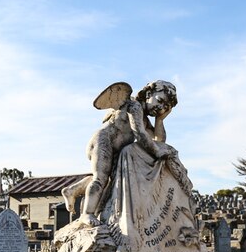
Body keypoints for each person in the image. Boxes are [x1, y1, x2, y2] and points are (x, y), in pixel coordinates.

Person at [62, 80, 178, 225]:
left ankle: (72, 190)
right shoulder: (134, 106)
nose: (160, 107)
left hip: (115, 150)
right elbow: (140, 134)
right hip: (104, 142)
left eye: (165, 107)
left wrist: (160, 120)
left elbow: (159, 140)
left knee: (108, 181)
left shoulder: (144, 119)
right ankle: (87, 214)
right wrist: (156, 152)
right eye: (160, 101)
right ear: (148, 93)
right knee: (100, 180)